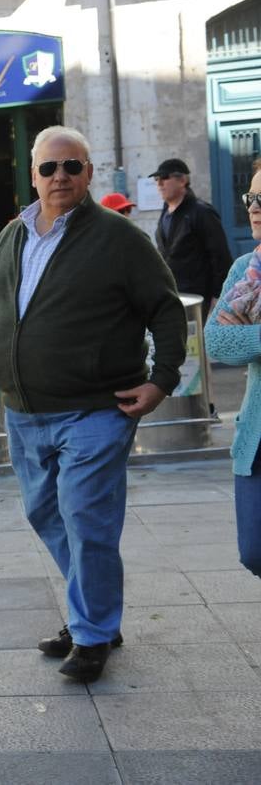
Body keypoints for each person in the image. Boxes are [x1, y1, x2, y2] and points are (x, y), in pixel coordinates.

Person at [0, 125, 186, 684]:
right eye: (48, 168)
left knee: (84, 516)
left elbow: (166, 310)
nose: (59, 177)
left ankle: (93, 632)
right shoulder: (12, 236)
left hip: (96, 409)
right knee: (45, 513)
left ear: (88, 173)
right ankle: (96, 614)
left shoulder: (118, 238)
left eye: (71, 167)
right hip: (24, 412)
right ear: (32, 174)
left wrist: (163, 379)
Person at [205, 164, 261, 579]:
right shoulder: (246, 269)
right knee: (254, 551)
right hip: (257, 438)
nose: (254, 209)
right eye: (251, 199)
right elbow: (218, 342)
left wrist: (251, 333)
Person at [152, 158, 232, 302]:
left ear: (182, 180)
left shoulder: (202, 212)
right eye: (157, 179)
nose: (159, 183)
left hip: (200, 296)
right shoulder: (165, 213)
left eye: (164, 177)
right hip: (174, 295)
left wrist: (218, 296)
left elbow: (220, 256)